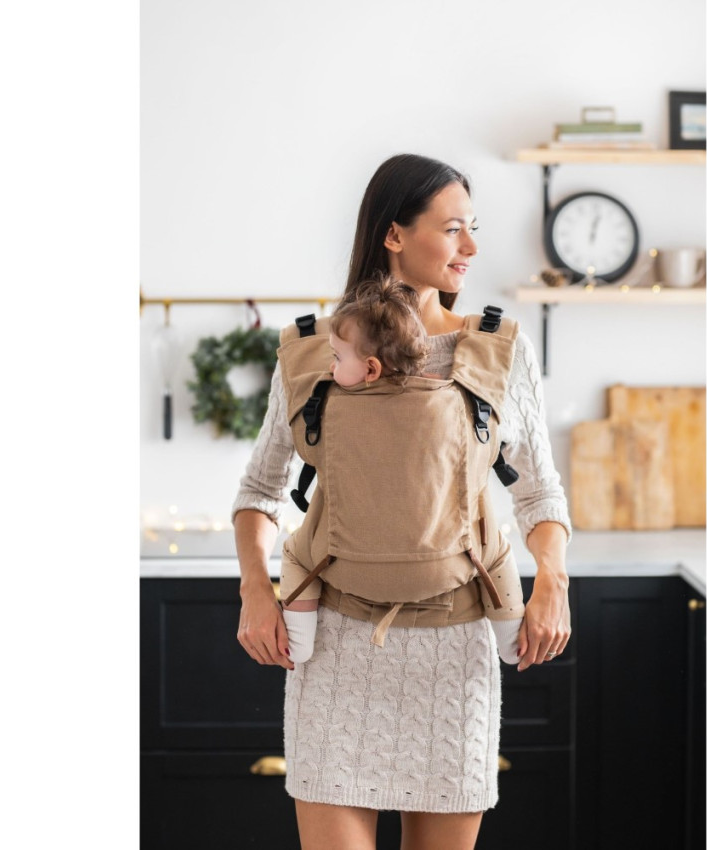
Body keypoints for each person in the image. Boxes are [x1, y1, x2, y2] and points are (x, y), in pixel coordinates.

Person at [233, 152, 572, 850]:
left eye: (472, 228)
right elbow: (260, 490)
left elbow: (539, 490)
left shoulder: (500, 349)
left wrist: (553, 583)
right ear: (394, 234)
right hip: (335, 652)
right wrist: (255, 590)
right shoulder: (314, 353)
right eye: (452, 229)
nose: (470, 246)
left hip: (456, 654)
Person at [278, 272, 527, 667]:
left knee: (295, 554)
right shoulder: (456, 402)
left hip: (344, 569)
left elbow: (302, 455)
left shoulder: (328, 409)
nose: (331, 367)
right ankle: (513, 644)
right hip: (450, 567)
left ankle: (299, 646)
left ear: (371, 369)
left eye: (337, 358)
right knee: (495, 553)